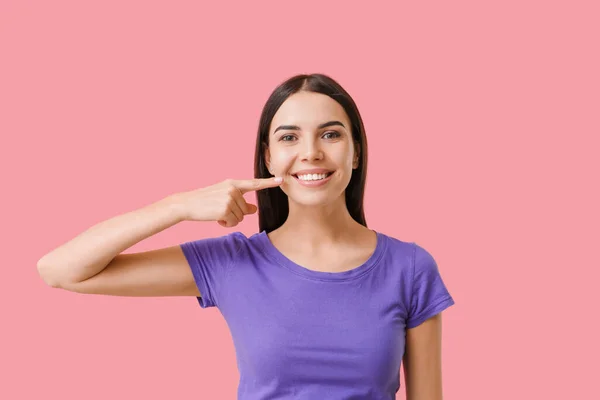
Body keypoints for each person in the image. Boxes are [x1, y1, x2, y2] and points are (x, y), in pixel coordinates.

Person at [37, 73, 455, 399]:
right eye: (289, 137)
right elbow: (60, 270)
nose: (310, 152)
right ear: (269, 157)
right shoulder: (233, 263)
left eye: (330, 134)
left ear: (356, 151)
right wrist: (177, 206)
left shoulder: (410, 268)